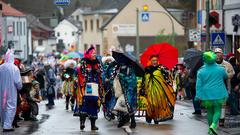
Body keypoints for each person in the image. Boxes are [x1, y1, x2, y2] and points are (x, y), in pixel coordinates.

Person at [195, 51, 228, 135]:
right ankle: (213, 126)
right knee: (217, 110)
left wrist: (198, 96)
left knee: (209, 111)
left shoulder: (200, 71)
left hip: (207, 95)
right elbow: (226, 76)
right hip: (219, 93)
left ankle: (210, 130)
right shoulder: (221, 69)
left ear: (204, 60)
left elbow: (198, 85)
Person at [141, 55, 176, 124]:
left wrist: (166, 70)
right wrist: (142, 88)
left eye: (156, 60)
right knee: (151, 104)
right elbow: (144, 79)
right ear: (151, 61)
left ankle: (156, 117)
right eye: (153, 60)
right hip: (149, 90)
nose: (155, 62)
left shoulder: (162, 69)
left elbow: (168, 78)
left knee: (158, 104)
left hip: (159, 91)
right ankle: (150, 116)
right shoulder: (147, 69)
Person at [77, 46, 103, 131]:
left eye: (95, 53)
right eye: (93, 53)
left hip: (95, 86)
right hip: (87, 86)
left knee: (94, 103)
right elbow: (81, 72)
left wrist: (98, 72)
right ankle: (82, 123)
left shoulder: (98, 62)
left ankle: (93, 125)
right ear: (89, 54)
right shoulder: (84, 62)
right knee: (85, 103)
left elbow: (102, 71)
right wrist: (90, 71)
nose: (94, 55)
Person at [0, 49, 22, 132]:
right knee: (11, 107)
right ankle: (7, 125)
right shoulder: (14, 68)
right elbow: (18, 82)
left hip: (2, 90)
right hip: (11, 90)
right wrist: (19, 87)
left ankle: (3, 123)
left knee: (2, 106)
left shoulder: (1, 67)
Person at [214, 48, 235, 127]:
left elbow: (232, 73)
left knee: (223, 104)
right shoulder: (211, 64)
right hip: (214, 87)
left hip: (224, 86)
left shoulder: (227, 64)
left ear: (222, 55)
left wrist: (226, 76)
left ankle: (221, 120)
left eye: (219, 54)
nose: (218, 56)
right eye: (216, 54)